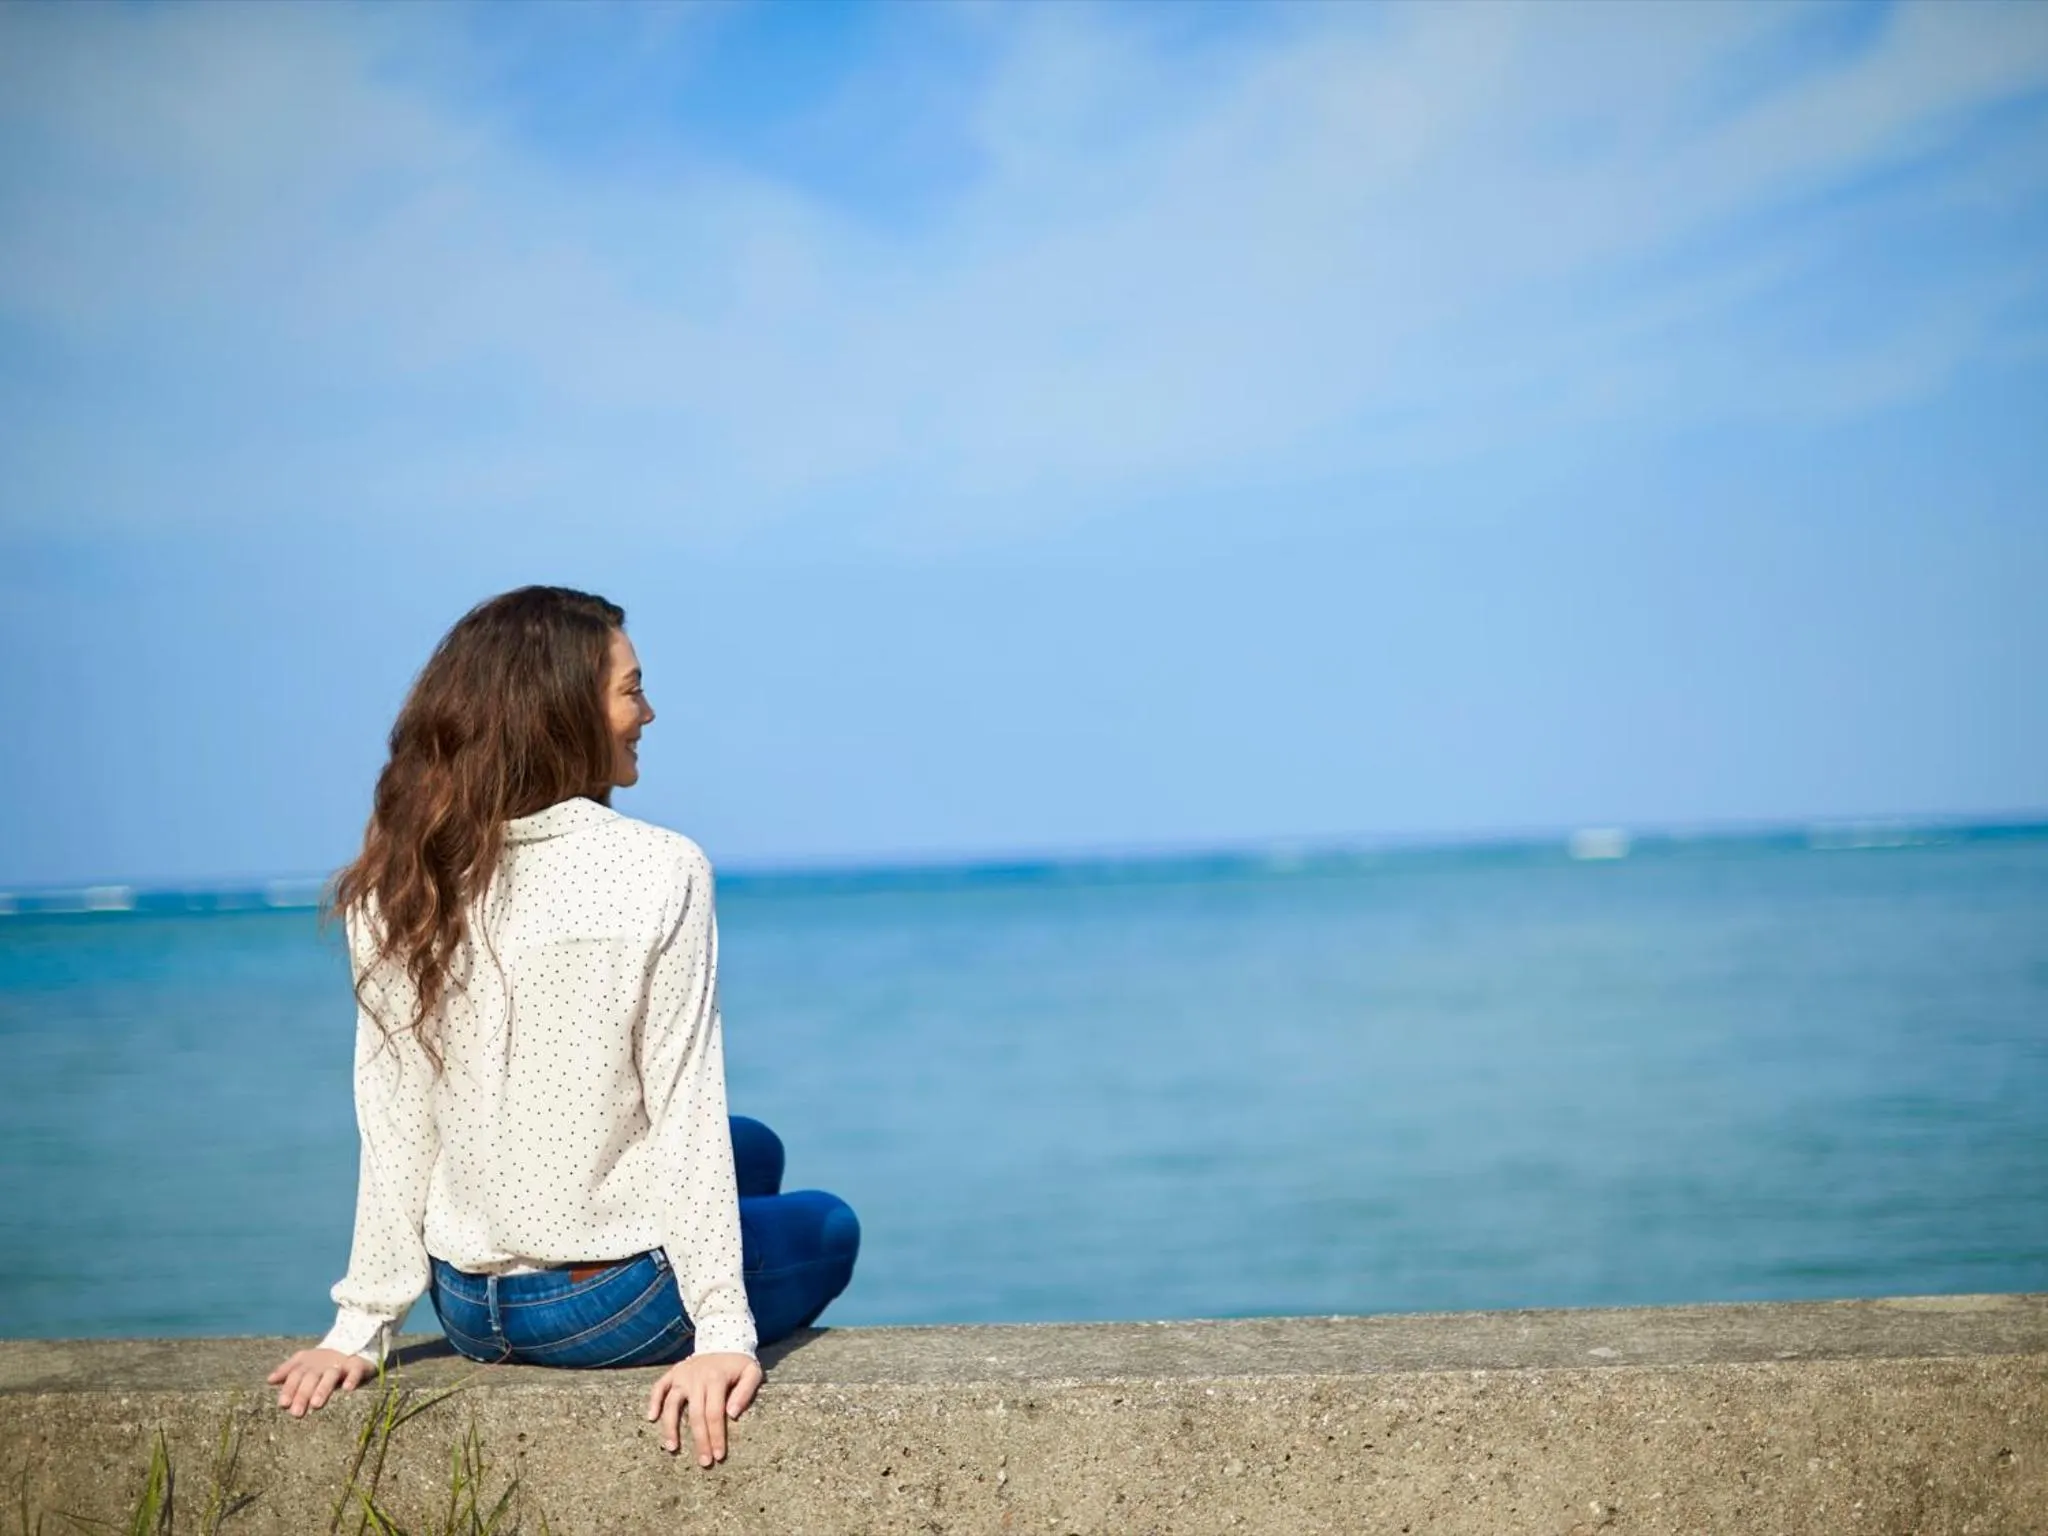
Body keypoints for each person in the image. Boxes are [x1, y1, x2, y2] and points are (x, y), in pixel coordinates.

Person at [266, 586, 859, 1468]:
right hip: (612, 1308)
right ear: (563, 711)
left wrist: (360, 1328)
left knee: (755, 1148)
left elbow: (396, 1120)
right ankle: (689, 1269)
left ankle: (652, 1249)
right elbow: (682, 1108)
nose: (648, 713)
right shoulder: (659, 867)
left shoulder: (406, 877)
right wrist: (720, 1334)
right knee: (828, 1222)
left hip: (469, 1312)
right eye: (631, 690)